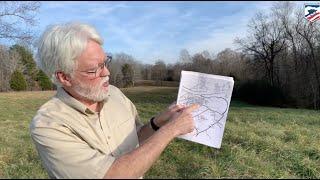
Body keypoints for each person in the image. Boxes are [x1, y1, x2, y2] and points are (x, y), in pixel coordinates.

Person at [30, 22, 199, 179]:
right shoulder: (48, 125)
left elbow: (135, 137)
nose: (106, 73)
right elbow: (113, 175)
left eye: (105, 63)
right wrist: (171, 129)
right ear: (65, 77)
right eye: (93, 70)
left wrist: (157, 123)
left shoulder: (114, 94)